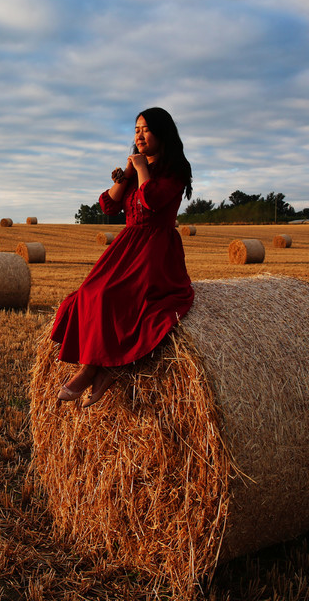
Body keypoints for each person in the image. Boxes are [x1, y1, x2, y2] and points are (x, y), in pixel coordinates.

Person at [50, 107, 195, 407]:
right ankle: (103, 369)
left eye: (145, 129)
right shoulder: (136, 170)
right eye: (136, 130)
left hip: (156, 249)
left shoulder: (175, 171)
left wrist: (142, 169)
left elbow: (151, 200)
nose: (139, 135)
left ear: (162, 133)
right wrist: (126, 175)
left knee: (110, 295)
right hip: (128, 244)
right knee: (89, 293)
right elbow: (107, 206)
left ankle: (91, 369)